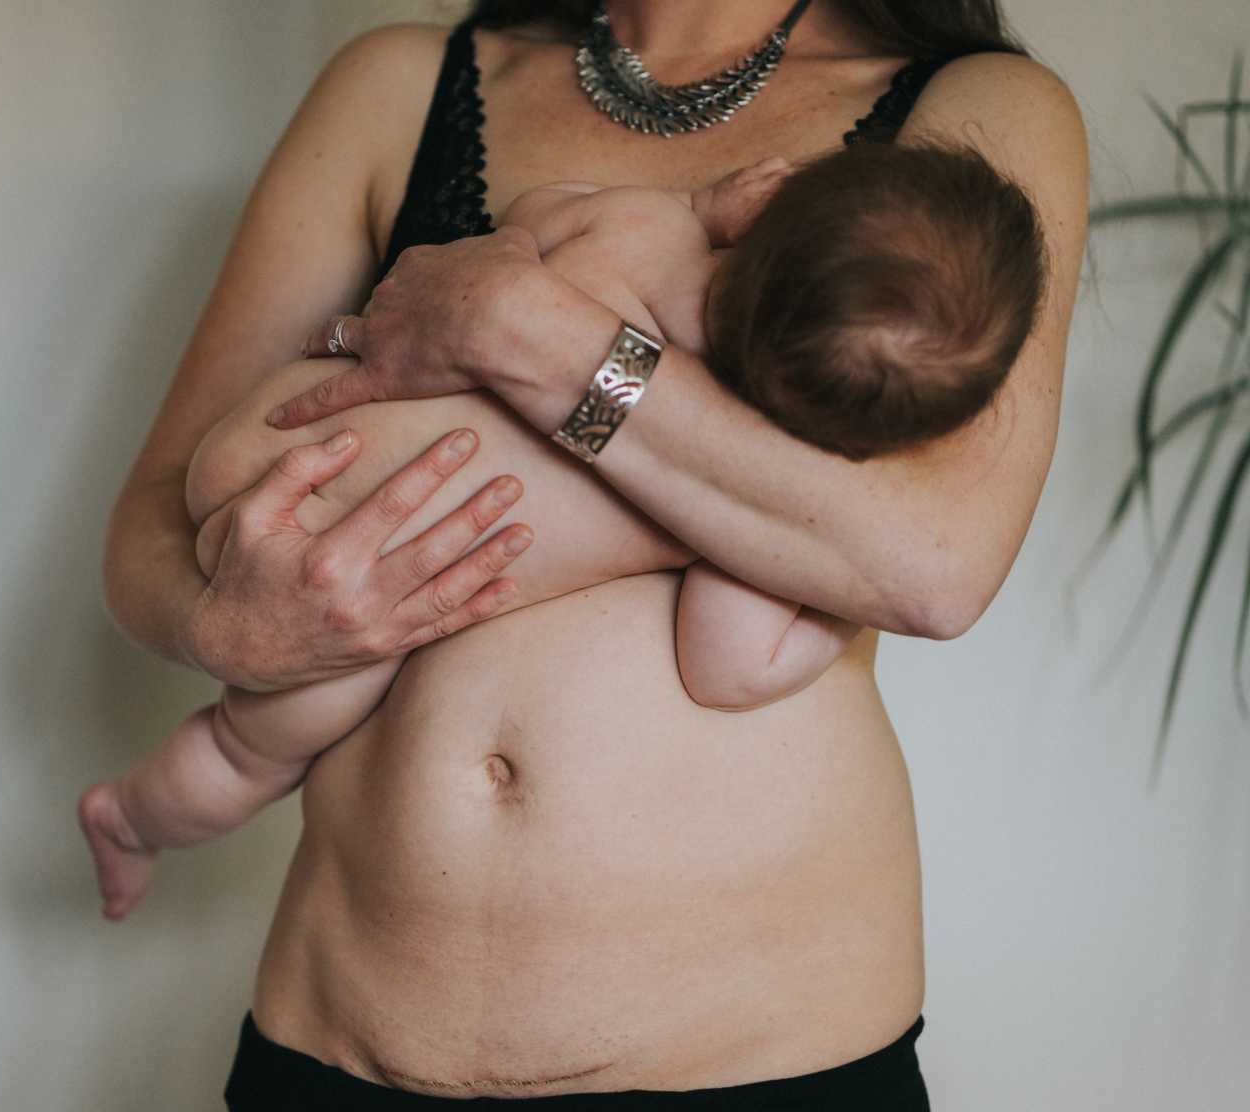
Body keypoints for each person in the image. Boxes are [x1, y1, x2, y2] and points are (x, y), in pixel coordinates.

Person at [97, 1, 1087, 1112]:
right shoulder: (400, 85)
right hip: (342, 1070)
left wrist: (517, 327)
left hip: (752, 1103)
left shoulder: (974, 110)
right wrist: (225, 627)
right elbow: (156, 520)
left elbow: (931, 561)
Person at [79, 139, 1046, 923]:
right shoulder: (747, 500)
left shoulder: (639, 230)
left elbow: (532, 218)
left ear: (774, 199)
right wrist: (826, 604)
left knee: (258, 733)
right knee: (244, 755)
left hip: (272, 442)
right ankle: (131, 819)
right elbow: (724, 666)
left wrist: (699, 207)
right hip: (339, 581)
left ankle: (132, 814)